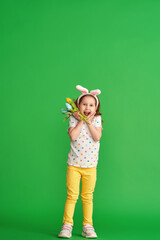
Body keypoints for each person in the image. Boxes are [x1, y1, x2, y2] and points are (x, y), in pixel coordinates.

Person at [58, 85, 103, 238]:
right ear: (78, 106)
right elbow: (73, 136)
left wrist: (89, 121)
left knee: (87, 196)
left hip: (90, 166)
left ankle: (87, 226)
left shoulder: (96, 120)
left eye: (91, 105)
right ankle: (67, 225)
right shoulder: (72, 119)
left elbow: (97, 137)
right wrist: (81, 121)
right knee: (72, 195)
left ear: (96, 108)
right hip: (74, 166)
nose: (87, 107)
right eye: (84, 104)